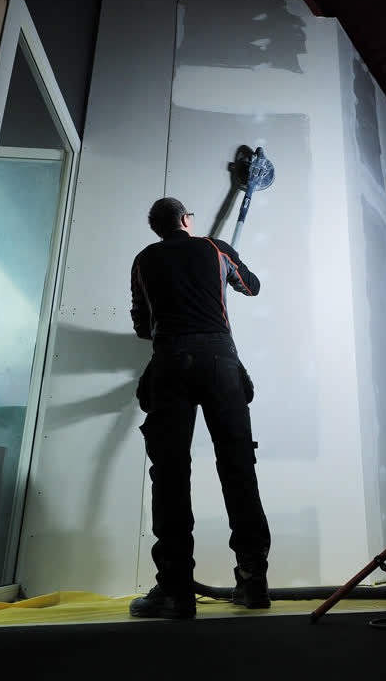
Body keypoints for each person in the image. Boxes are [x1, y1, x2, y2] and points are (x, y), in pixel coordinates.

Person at [128, 196, 271, 619]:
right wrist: (229, 264)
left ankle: (174, 589)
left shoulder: (144, 259)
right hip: (221, 363)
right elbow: (251, 285)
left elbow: (141, 326)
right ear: (186, 219)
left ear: (159, 228)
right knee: (238, 467)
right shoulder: (215, 248)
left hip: (171, 361)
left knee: (170, 473)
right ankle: (253, 579)